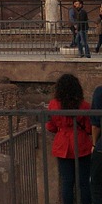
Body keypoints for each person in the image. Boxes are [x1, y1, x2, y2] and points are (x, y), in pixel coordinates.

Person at [47, 72, 93, 204]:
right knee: (84, 182)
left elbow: (50, 127)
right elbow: (89, 128)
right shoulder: (84, 105)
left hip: (63, 144)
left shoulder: (53, 105)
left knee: (67, 182)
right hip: (81, 144)